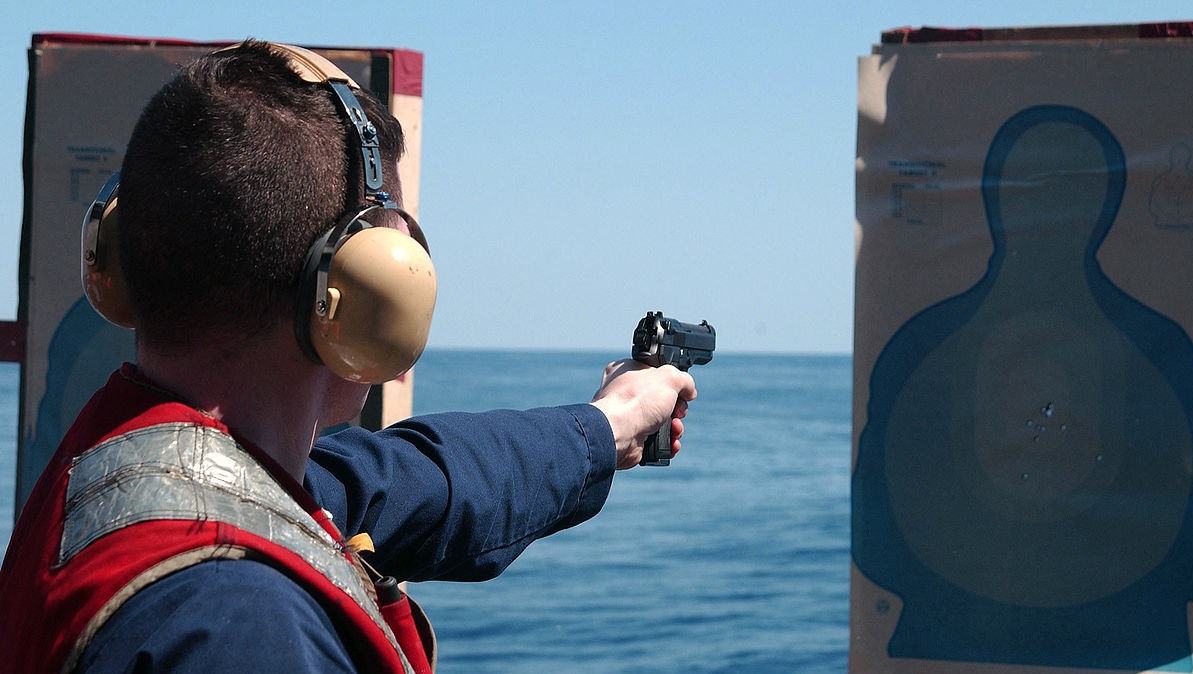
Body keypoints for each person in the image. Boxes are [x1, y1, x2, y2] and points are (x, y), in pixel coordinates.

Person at [0, 40, 696, 673]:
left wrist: (607, 425)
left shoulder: (131, 470)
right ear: (362, 291)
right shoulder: (237, 625)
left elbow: (414, 479)